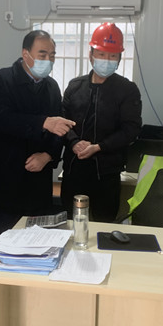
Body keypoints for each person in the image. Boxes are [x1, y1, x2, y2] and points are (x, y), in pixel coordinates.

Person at [0, 30, 75, 326]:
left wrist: (48, 155)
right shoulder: (2, 79)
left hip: (37, 180)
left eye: (52, 55)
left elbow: (59, 131)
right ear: (25, 54)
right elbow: (1, 118)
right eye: (43, 54)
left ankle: (24, 303)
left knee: (35, 247)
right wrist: (43, 122)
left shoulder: (51, 86)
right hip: (5, 178)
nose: (48, 60)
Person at [61, 22, 142, 222]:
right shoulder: (75, 86)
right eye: (102, 54)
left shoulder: (127, 90)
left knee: (104, 226)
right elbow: (62, 121)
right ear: (91, 55)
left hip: (107, 173)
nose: (107, 60)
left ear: (119, 59)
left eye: (112, 56)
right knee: (70, 223)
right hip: (74, 170)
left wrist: (99, 147)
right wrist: (73, 142)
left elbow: (131, 129)